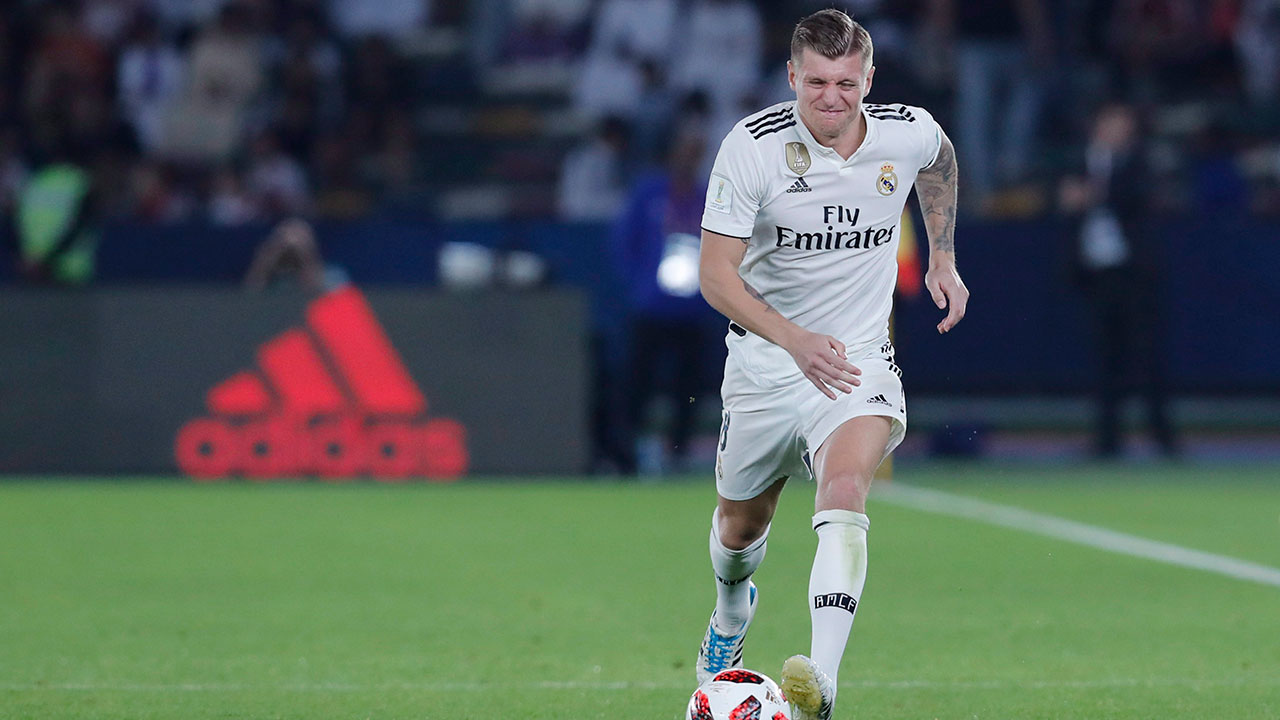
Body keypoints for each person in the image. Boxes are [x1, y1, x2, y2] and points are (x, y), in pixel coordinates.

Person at [693, 10, 967, 720]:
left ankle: (822, 683)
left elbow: (938, 158)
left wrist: (942, 253)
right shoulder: (751, 148)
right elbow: (716, 277)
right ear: (792, 77)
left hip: (855, 362)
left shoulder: (904, 130)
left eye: (847, 82)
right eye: (816, 81)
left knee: (846, 489)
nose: (832, 98)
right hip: (764, 364)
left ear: (868, 79)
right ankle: (730, 615)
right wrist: (792, 339)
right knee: (739, 529)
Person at [1059, 102, 1177, 458]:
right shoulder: (1079, 160)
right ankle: (1108, 440)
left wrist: (1094, 194)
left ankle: (1164, 439)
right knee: (1104, 359)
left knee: (1146, 357)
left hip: (1133, 274)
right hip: (1096, 275)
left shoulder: (1138, 162)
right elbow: (1065, 202)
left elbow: (1140, 198)